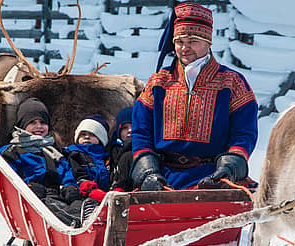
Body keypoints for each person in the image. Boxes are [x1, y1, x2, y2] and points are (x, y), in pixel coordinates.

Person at [131, 2, 258, 191]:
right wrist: (147, 168)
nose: (184, 48)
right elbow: (142, 130)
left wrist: (232, 163)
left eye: (192, 42)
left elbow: (244, 131)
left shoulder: (232, 82)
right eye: (179, 42)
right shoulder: (159, 82)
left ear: (208, 42)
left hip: (215, 178)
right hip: (162, 179)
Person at [0, 99, 93, 227]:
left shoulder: (53, 150)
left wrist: (70, 187)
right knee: (54, 209)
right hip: (33, 199)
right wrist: (27, 187)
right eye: (32, 122)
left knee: (78, 205)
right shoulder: (13, 151)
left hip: (57, 194)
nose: (39, 127)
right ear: (22, 125)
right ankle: (76, 223)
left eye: (43, 122)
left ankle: (87, 220)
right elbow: (8, 176)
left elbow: (65, 170)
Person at [63, 114, 118, 203]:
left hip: (104, 197)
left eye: (92, 134)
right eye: (83, 134)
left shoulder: (108, 158)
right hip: (80, 195)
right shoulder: (73, 154)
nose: (87, 137)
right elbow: (74, 174)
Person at [108, 107, 134, 191]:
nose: (130, 130)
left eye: (133, 125)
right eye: (125, 128)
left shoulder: (144, 150)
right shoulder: (112, 151)